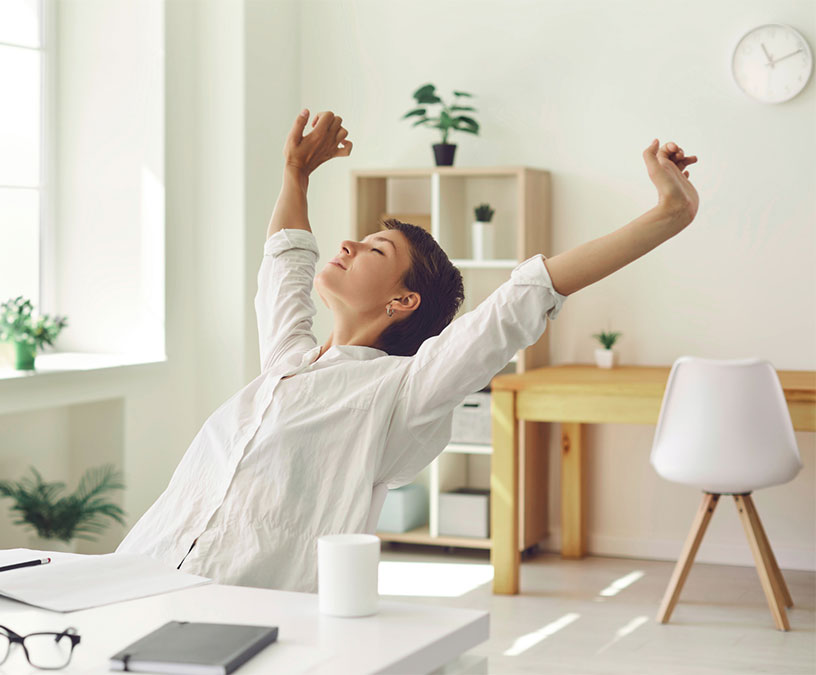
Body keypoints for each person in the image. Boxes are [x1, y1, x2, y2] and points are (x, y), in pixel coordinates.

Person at [116, 109, 699, 592]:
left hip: (235, 611)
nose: (349, 243)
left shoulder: (402, 391)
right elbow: (286, 261)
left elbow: (526, 295)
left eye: (375, 250)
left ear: (403, 300)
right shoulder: (287, 363)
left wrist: (669, 215)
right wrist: (296, 173)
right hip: (137, 572)